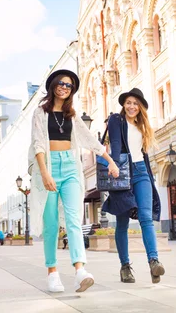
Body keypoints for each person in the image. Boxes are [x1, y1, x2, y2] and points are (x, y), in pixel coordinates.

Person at [29, 69, 120, 293]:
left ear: (72, 90)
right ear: (52, 86)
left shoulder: (71, 115)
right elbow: (38, 144)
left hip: (70, 168)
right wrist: (45, 173)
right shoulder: (40, 113)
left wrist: (110, 160)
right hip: (48, 168)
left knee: (73, 219)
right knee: (51, 225)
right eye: (60, 83)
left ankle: (80, 271)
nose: (64, 87)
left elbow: (89, 139)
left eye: (68, 85)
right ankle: (52, 272)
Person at [102, 88, 165, 284]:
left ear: (140, 107)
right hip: (122, 172)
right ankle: (125, 267)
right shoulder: (116, 120)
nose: (131, 106)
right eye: (128, 102)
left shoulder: (142, 126)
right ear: (123, 104)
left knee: (146, 218)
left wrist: (149, 175)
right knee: (122, 223)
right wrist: (117, 170)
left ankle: (154, 262)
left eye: (135, 103)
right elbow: (116, 145)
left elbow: (142, 153)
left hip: (141, 172)